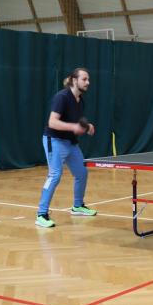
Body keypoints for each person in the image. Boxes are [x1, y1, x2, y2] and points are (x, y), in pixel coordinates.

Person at [35, 68, 98, 228]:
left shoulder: (80, 101)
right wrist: (73, 127)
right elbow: (52, 122)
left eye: (88, 79)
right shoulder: (61, 97)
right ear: (74, 80)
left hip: (70, 142)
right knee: (55, 175)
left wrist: (87, 126)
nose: (88, 82)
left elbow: (75, 122)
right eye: (84, 79)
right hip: (54, 140)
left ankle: (77, 206)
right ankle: (41, 214)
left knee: (82, 173)